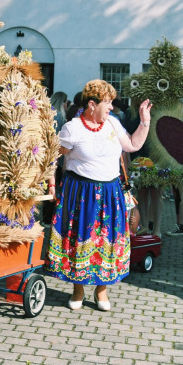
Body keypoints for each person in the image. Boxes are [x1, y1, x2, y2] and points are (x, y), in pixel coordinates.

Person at [47, 79, 152, 310]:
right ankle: (78, 289)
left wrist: (145, 122)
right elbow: (54, 158)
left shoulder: (113, 124)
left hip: (109, 191)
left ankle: (101, 290)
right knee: (79, 238)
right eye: (108, 102)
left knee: (107, 241)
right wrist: (52, 183)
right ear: (92, 104)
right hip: (80, 192)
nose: (112, 107)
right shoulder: (72, 128)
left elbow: (133, 145)